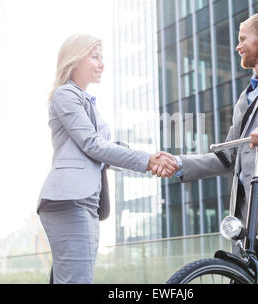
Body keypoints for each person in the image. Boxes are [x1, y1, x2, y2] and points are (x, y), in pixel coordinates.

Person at [153, 11, 258, 283]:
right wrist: (179, 163)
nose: (237, 46)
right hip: (244, 211)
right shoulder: (246, 96)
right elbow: (228, 156)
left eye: (243, 39)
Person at [37, 34, 178, 284]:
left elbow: (100, 147)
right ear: (74, 59)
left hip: (82, 201)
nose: (101, 63)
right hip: (71, 200)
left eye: (102, 58)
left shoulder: (85, 101)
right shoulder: (66, 95)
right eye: (95, 57)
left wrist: (149, 157)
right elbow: (93, 144)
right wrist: (146, 160)